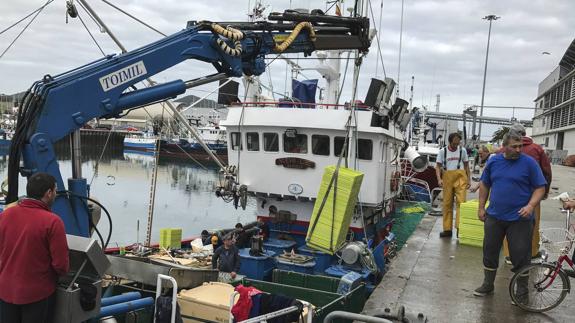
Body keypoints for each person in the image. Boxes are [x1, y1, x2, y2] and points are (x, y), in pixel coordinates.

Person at [474, 131, 546, 298]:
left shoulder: (529, 163)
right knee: (490, 251)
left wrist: (530, 205)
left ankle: (521, 291)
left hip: (520, 219)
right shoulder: (494, 162)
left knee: (521, 255)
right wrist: (481, 207)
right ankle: (488, 284)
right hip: (494, 216)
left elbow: (540, 188)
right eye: (514, 146)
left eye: (520, 146)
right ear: (504, 147)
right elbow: (485, 184)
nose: (519, 149)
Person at [0, 172, 70, 323]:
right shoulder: (53, 222)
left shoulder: (6, 214)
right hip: (37, 296)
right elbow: (61, 265)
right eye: (55, 191)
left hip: (5, 292)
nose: (56, 195)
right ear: (49, 193)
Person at [502, 123, 553, 263]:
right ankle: (532, 253)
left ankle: (508, 255)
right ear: (525, 133)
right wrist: (545, 191)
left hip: (510, 195)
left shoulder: (504, 148)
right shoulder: (537, 149)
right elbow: (546, 171)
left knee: (507, 222)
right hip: (533, 195)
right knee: (533, 225)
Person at [435, 132, 471, 238]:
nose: (456, 146)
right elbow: (437, 167)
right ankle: (447, 230)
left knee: (461, 203)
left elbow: (466, 166)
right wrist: (439, 179)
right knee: (447, 204)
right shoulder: (443, 151)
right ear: (449, 142)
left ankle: (460, 229)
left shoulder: (462, 150)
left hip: (460, 177)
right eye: (454, 144)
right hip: (447, 178)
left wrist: (468, 180)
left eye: (458, 143)